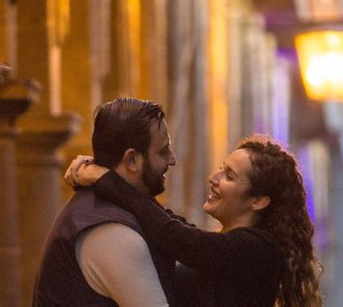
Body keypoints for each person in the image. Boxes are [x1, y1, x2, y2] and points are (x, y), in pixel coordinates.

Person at [66, 134, 323, 307]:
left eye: (229, 176)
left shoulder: (258, 249)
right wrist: (114, 179)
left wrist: (108, 181)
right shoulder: (233, 245)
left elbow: (176, 236)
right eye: (222, 168)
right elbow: (171, 223)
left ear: (258, 200)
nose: (214, 177)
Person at [32, 98, 178, 307]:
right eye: (163, 151)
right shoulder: (114, 232)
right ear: (131, 161)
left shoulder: (111, 207)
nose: (172, 159)